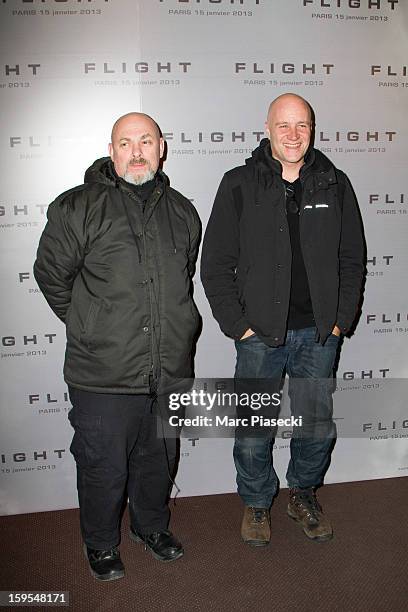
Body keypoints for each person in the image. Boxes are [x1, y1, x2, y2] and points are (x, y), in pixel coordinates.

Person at [34, 112, 201, 580]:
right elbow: (52, 277)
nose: (136, 151)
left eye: (146, 141)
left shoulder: (184, 211)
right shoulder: (77, 207)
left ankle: (150, 527)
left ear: (161, 147)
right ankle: (102, 543)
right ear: (112, 151)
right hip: (103, 372)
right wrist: (92, 325)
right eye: (125, 143)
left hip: (168, 367)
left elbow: (182, 278)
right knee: (103, 467)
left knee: (159, 458)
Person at [201, 94, 365, 546]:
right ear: (268, 128)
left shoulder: (335, 183)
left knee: (315, 424)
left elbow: (353, 259)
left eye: (302, 125)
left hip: (319, 334)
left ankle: (303, 496)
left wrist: (338, 321)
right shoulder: (238, 183)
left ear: (312, 129)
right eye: (284, 125)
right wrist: (239, 325)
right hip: (258, 336)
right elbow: (215, 263)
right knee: (254, 428)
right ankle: (256, 503)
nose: (293, 135)